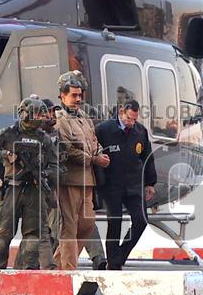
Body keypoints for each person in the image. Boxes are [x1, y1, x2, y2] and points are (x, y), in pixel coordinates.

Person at [16, 98, 107, 270]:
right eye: (48, 112)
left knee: (78, 225)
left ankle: (59, 264)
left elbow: (69, 153)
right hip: (39, 189)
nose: (51, 115)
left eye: (52, 111)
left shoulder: (57, 132)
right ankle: (28, 267)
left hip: (57, 186)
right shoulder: (31, 134)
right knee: (42, 229)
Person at [0, 97, 58, 269]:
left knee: (33, 237)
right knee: (2, 235)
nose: (40, 118)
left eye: (41, 114)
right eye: (36, 114)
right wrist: (6, 155)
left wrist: (43, 174)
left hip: (34, 190)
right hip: (11, 189)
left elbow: (56, 167)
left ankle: (29, 271)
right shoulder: (8, 133)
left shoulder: (44, 139)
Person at [53, 71, 109, 270]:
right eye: (74, 95)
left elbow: (94, 141)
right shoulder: (59, 119)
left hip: (87, 180)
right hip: (69, 181)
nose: (78, 99)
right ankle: (68, 270)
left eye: (80, 95)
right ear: (62, 96)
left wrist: (99, 154)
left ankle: (57, 265)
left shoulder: (84, 117)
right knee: (69, 227)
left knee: (87, 225)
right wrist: (93, 159)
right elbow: (67, 149)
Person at [95, 99, 157, 270]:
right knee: (115, 222)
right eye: (129, 119)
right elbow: (94, 154)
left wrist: (150, 183)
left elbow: (147, 158)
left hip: (133, 183)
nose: (131, 123)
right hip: (112, 184)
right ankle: (113, 263)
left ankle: (120, 255)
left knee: (141, 220)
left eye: (135, 119)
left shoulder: (140, 131)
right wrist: (98, 183)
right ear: (121, 112)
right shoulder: (103, 130)